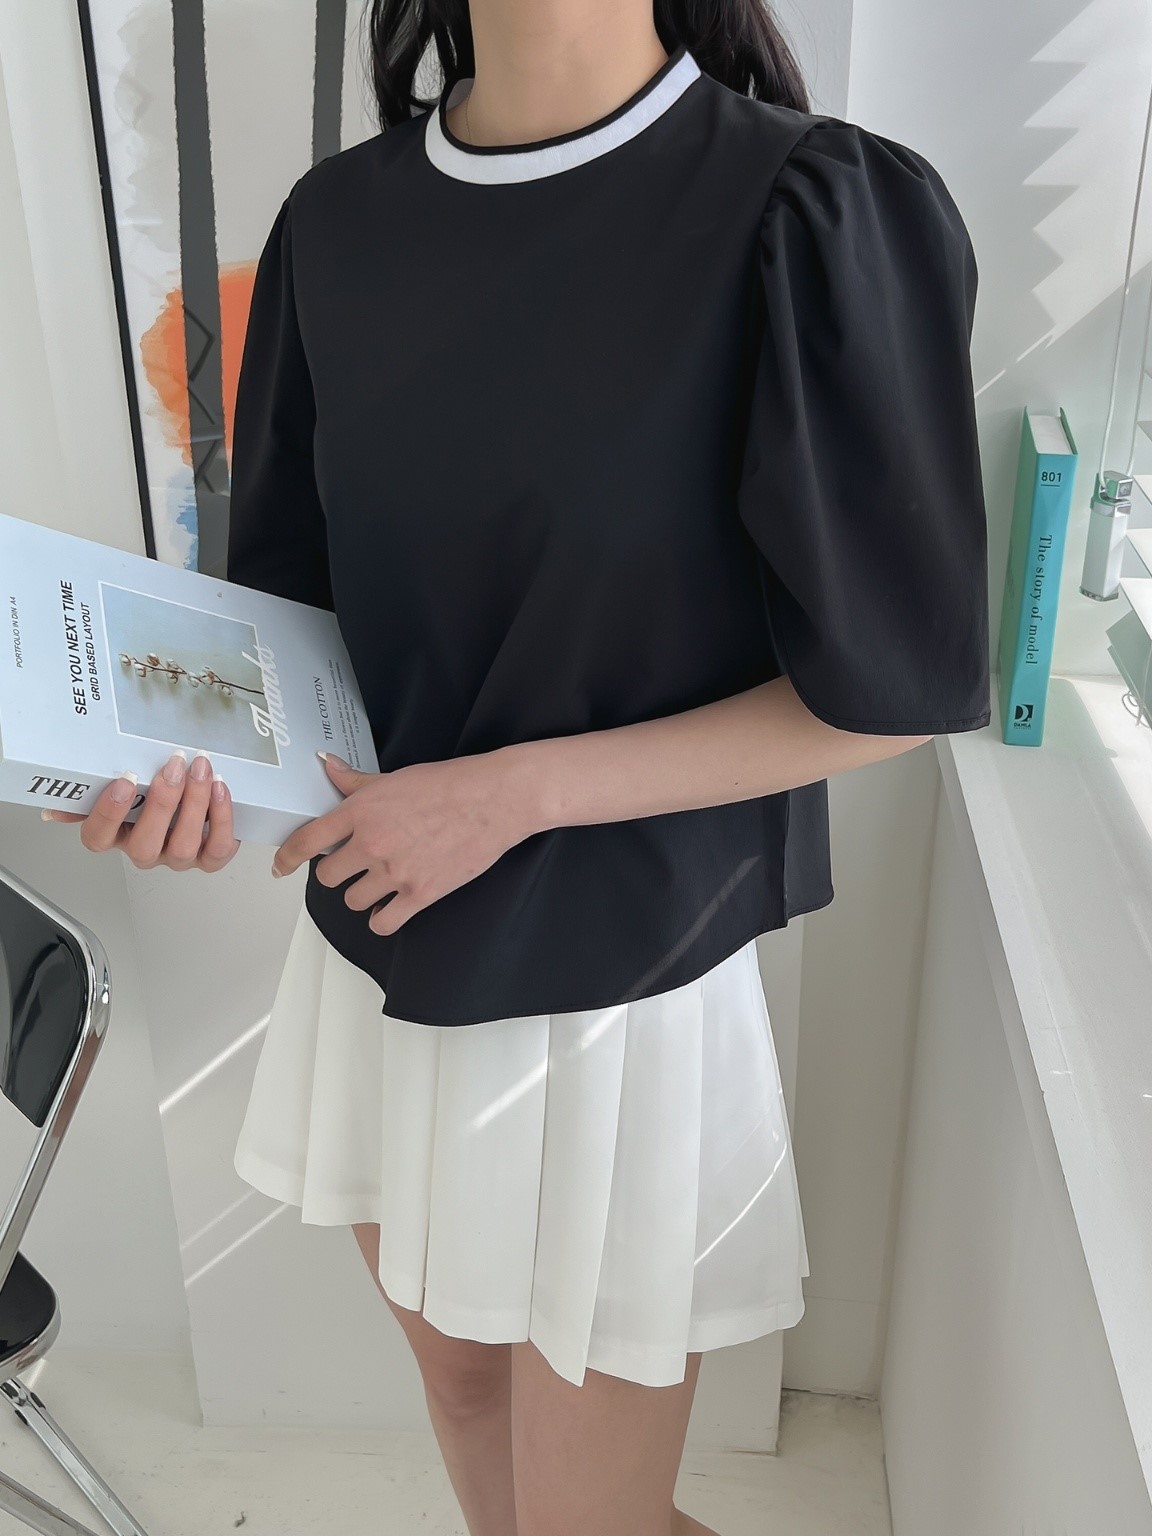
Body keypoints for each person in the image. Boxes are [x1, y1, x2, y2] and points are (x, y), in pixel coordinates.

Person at [46, 2, 991, 1531]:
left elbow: (895, 690)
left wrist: (514, 793)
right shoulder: (336, 228)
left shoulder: (802, 208)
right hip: (385, 947)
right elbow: (288, 634)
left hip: (623, 993)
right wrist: (184, 782)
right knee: (470, 1413)